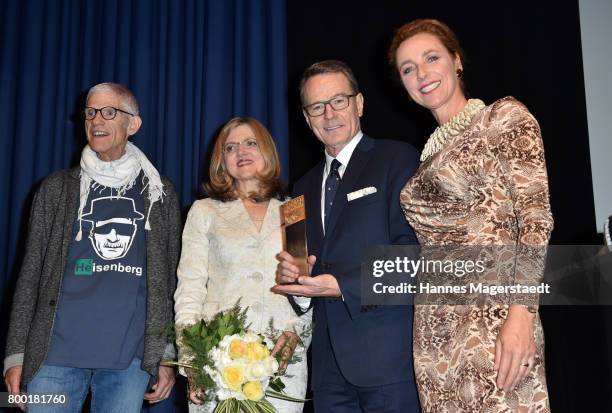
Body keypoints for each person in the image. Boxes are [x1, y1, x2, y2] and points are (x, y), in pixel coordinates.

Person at [388, 19, 553, 411]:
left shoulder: (502, 117)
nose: (422, 74)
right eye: (408, 68)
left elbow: (536, 218)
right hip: (433, 334)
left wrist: (522, 315)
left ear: (457, 61)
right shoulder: (424, 159)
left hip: (493, 318)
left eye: (431, 58)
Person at [3, 83, 181, 412]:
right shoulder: (56, 188)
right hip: (52, 359)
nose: (96, 120)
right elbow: (29, 276)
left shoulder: (160, 192)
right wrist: (15, 356)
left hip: (129, 362)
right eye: (90, 112)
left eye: (109, 112)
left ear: (133, 124)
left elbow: (170, 281)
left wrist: (167, 354)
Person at [273, 60, 420, 412]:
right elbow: (302, 276)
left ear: (359, 103)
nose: (329, 114)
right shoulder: (299, 190)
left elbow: (413, 253)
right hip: (327, 370)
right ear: (306, 118)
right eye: (316, 107)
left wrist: (343, 285)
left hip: (389, 361)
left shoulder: (398, 158)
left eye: (338, 100)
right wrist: (296, 282)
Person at [174, 117, 311, 413]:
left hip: (281, 364)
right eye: (230, 147)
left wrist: (297, 333)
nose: (241, 151)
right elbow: (189, 290)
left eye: (251, 143)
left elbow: (305, 288)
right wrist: (192, 361)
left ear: (267, 151)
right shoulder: (204, 211)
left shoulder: (294, 212)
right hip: (218, 363)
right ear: (221, 161)